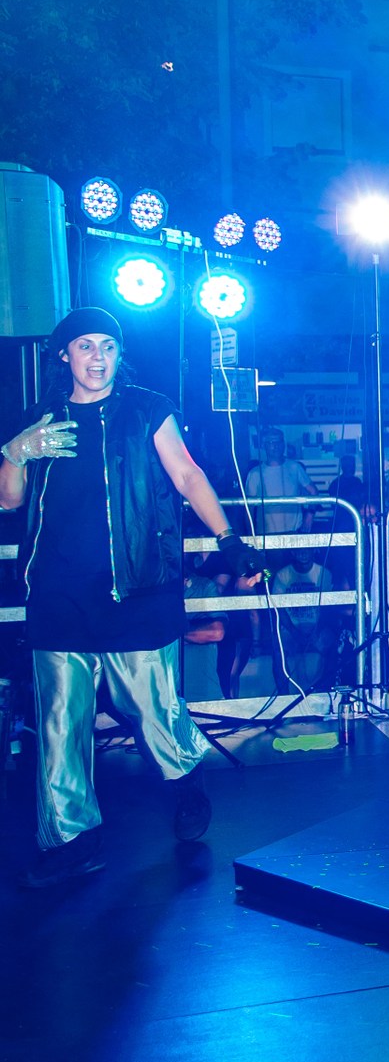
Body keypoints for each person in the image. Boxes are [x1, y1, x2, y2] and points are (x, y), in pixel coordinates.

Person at [0, 306, 262, 881]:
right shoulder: (41, 419)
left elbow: (186, 474)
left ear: (119, 355)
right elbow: (9, 501)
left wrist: (228, 539)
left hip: (138, 590)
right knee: (60, 723)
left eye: (108, 346)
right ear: (64, 354)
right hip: (58, 594)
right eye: (85, 346)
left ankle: (187, 784)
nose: (97, 357)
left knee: (153, 709)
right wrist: (15, 453)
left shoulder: (147, 409)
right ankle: (72, 839)